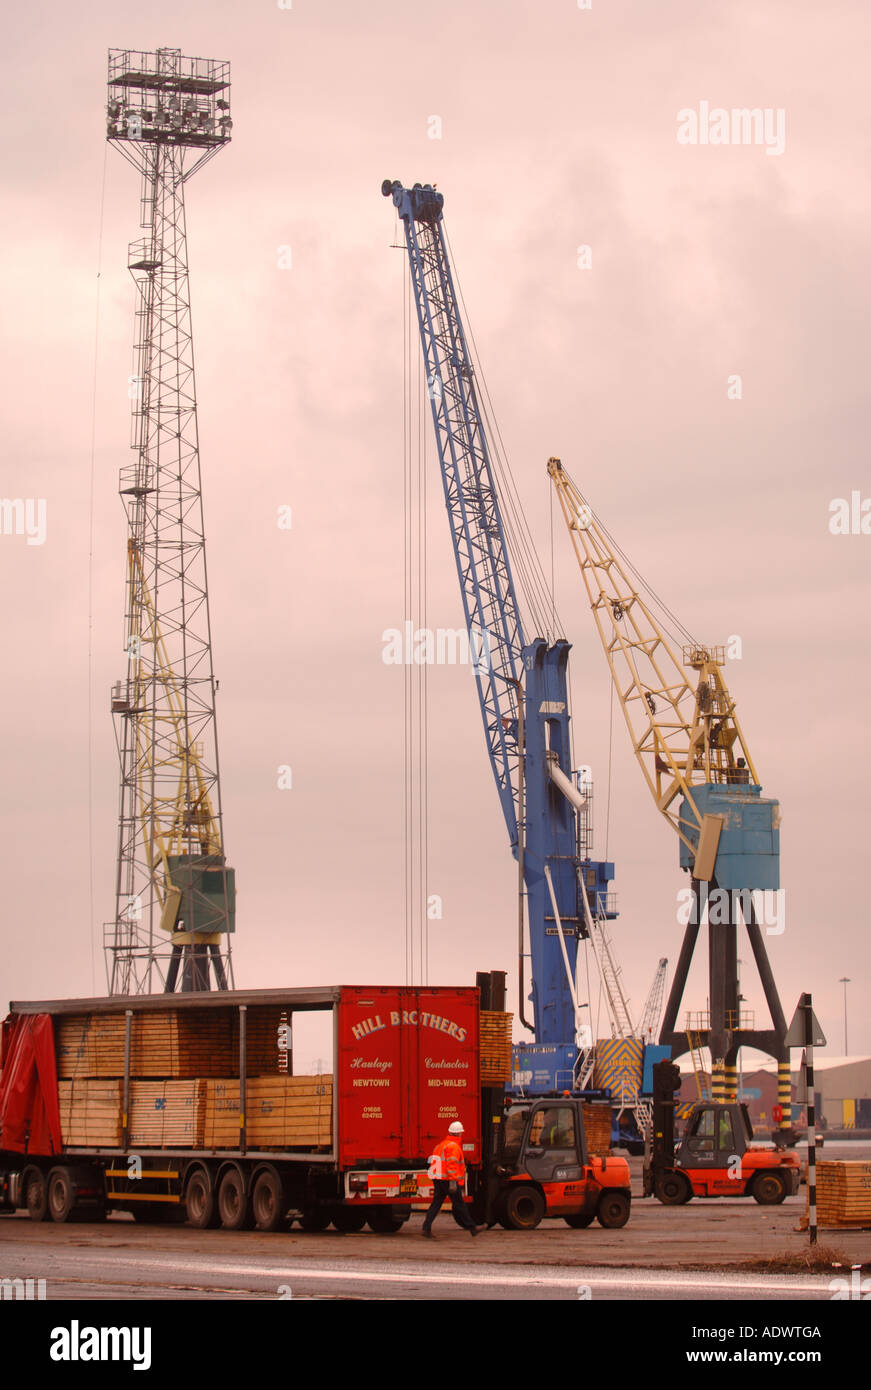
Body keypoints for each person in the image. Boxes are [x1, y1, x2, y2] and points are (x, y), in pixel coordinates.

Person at [422, 1121, 481, 1237]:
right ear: (459, 1134)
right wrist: (453, 1182)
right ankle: (472, 1228)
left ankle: (426, 1228)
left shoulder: (441, 1145)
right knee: (460, 1204)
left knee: (436, 1204)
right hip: (448, 1180)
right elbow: (451, 1165)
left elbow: (433, 1162)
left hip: (439, 1179)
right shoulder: (453, 1146)